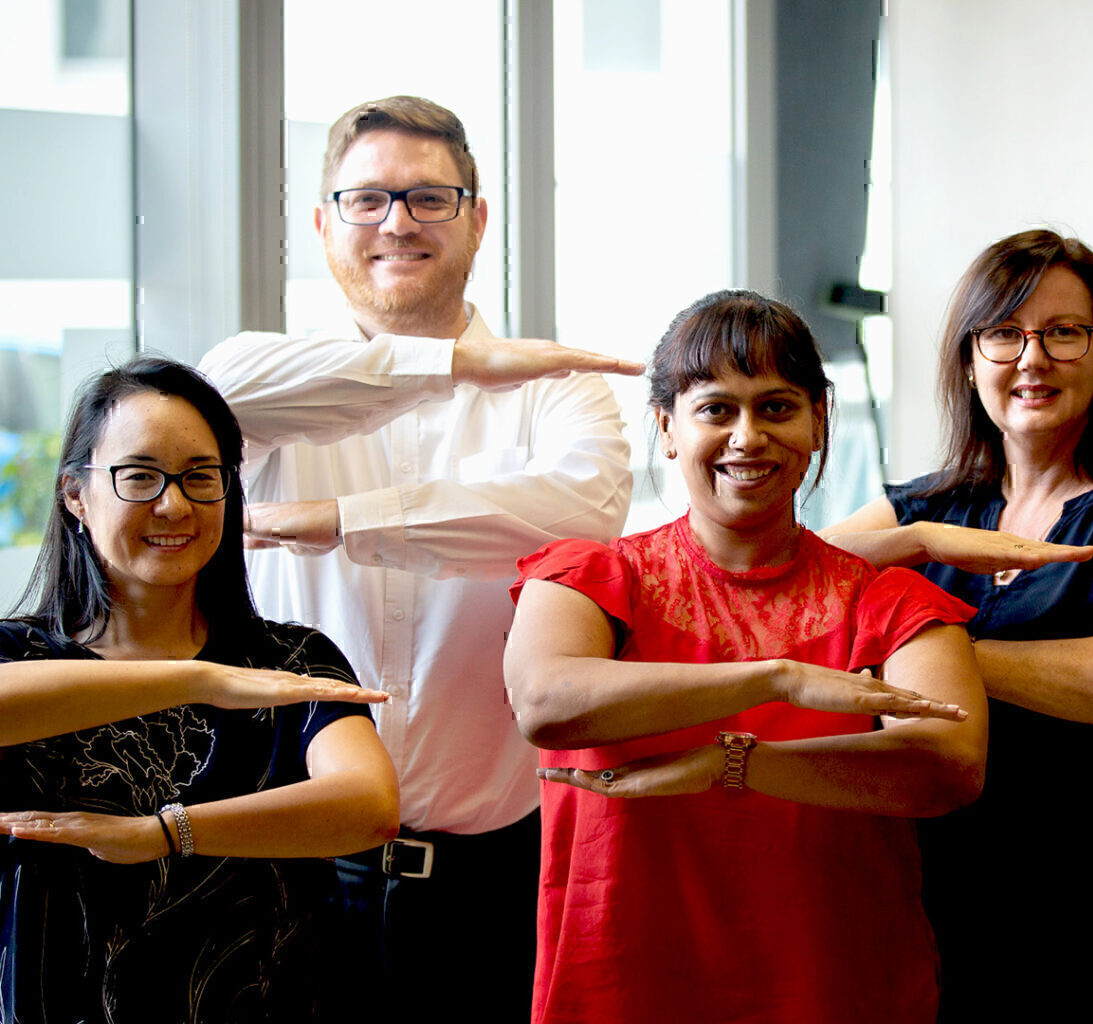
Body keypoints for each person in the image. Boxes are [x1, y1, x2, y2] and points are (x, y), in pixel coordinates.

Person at [196, 95, 642, 1020]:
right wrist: (442, 366)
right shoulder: (258, 373)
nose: (397, 221)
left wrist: (337, 519)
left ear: (478, 219)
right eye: (367, 200)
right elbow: (211, 400)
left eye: (429, 198)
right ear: (323, 225)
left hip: (493, 881)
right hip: (286, 874)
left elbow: (579, 516)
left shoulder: (558, 390)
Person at [504, 290, 988, 1024]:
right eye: (716, 410)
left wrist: (735, 761)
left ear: (820, 421)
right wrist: (779, 679)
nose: (747, 437)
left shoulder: (887, 602)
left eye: (777, 408)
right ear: (666, 427)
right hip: (625, 989)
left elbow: (949, 764)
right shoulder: (592, 578)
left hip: (834, 990)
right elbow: (546, 702)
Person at [823, 229, 1093, 1021]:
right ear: (970, 360)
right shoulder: (922, 509)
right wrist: (912, 543)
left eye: (1063, 333)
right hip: (934, 895)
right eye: (1004, 333)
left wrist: (933, 657)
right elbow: (778, 581)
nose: (1031, 358)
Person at [0, 357, 398, 1022]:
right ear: (76, 493)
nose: (174, 503)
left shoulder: (289, 658)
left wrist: (163, 833)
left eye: (199, 477)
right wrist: (199, 678)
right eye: (140, 476)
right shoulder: (17, 654)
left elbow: (367, 805)